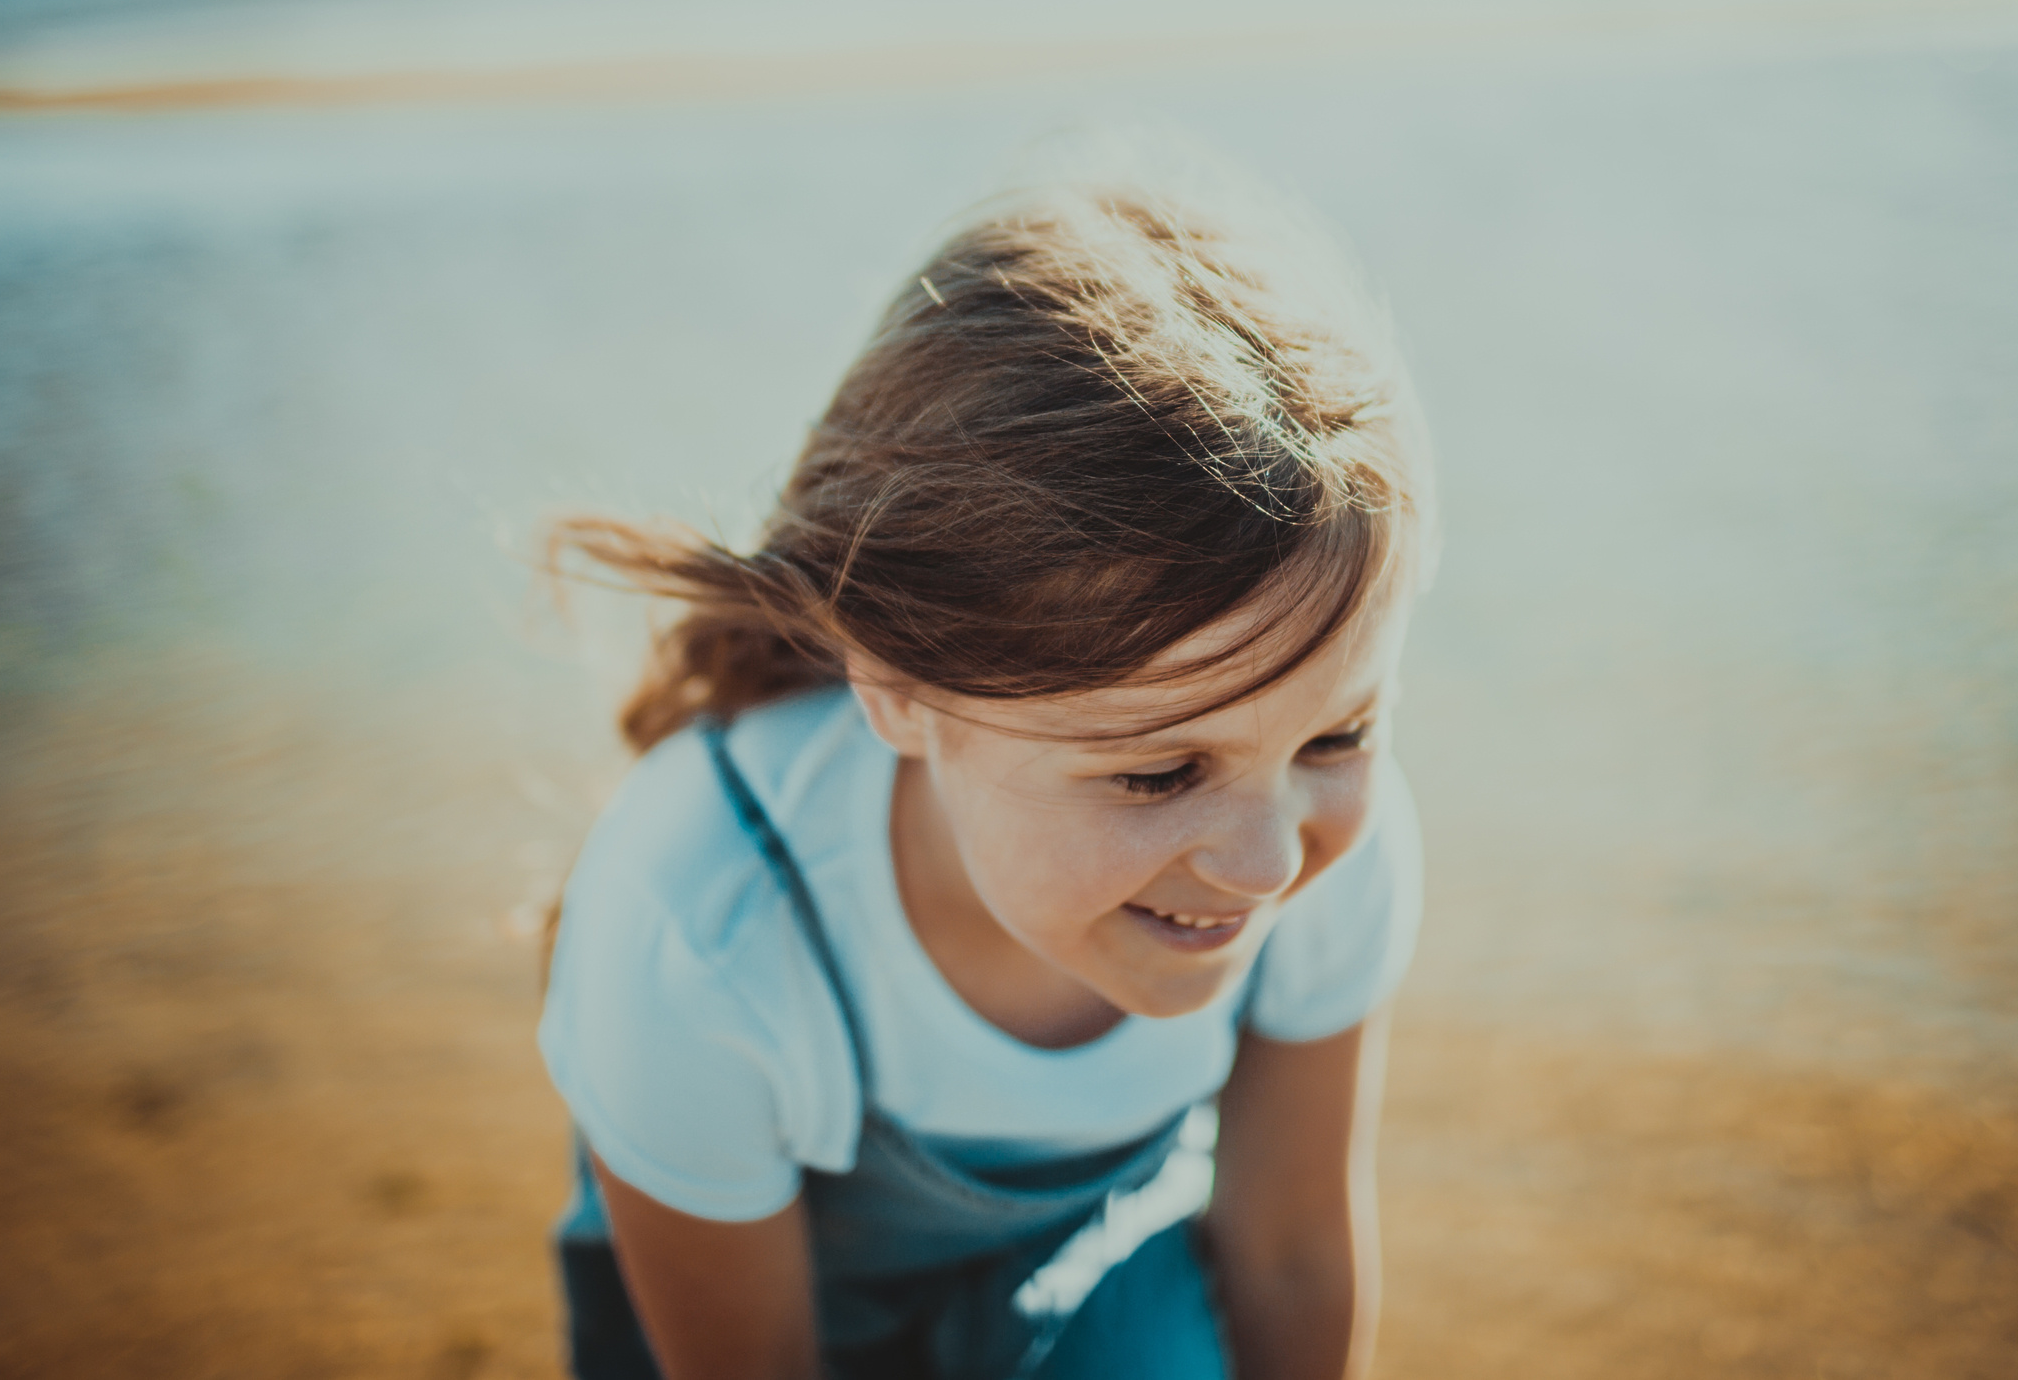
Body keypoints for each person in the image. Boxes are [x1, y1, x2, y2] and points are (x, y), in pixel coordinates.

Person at [537, 175, 1430, 1380]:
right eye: (1159, 772)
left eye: (1336, 737)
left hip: (1087, 1282)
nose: (1269, 863)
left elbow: (1288, 1256)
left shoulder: (1329, 851)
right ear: (896, 684)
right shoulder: (702, 933)